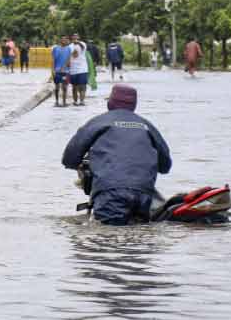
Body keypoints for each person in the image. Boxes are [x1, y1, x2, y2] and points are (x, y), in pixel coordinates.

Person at [61, 84, 172, 225]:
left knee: (107, 239)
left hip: (110, 193)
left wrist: (78, 165)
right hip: (144, 194)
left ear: (110, 103)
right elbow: (165, 166)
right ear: (134, 105)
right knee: (137, 241)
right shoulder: (147, 126)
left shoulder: (98, 122)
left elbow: (70, 157)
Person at [68, 33, 89, 106]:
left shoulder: (83, 44)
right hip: (73, 70)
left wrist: (78, 43)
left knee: (82, 86)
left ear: (79, 37)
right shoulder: (69, 46)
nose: (75, 37)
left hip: (83, 69)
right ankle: (75, 101)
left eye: (76, 36)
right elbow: (70, 56)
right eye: (73, 36)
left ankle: (82, 101)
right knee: (74, 87)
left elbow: (83, 48)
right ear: (71, 37)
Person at [52, 36, 72, 107]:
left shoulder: (69, 49)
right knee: (57, 87)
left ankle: (64, 102)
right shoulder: (55, 48)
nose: (64, 40)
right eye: (63, 39)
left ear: (67, 41)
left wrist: (67, 69)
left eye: (65, 39)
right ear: (60, 40)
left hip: (65, 72)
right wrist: (53, 70)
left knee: (64, 87)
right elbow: (53, 60)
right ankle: (56, 101)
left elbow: (69, 59)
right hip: (57, 71)